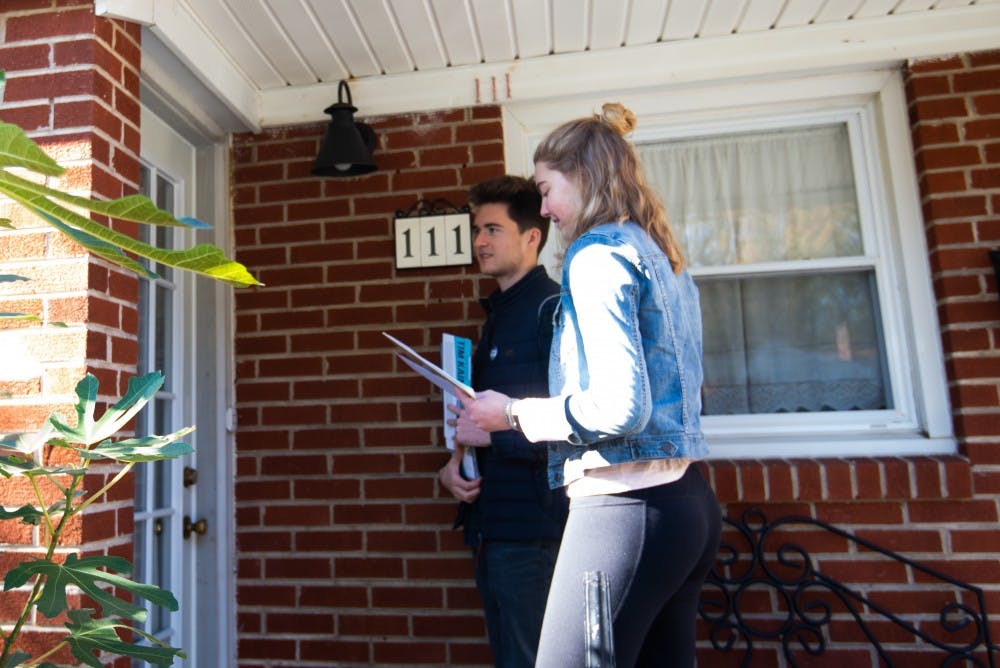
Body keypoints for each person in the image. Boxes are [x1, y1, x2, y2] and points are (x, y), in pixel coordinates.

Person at [461, 104, 722, 668]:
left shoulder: (596, 255)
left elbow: (619, 407)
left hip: (623, 509)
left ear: (584, 178)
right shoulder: (660, 254)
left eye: (548, 189)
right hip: (687, 505)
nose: (546, 207)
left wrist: (512, 414)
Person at [438, 175, 569, 667]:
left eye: (492, 229)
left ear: (532, 236)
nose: (478, 242)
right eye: (477, 230)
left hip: (537, 534)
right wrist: (455, 465)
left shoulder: (551, 311)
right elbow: (481, 423)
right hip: (493, 526)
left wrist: (492, 440)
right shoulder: (498, 315)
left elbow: (577, 429)